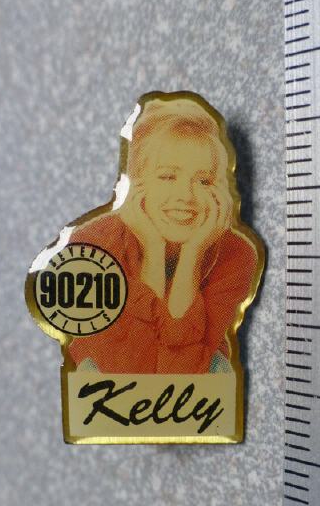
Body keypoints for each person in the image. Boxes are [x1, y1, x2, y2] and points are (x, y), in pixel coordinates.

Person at [67, 92, 263, 374]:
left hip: (188, 391)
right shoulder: (92, 245)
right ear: (137, 183)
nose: (186, 196)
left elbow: (183, 371)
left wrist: (192, 255)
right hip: (110, 388)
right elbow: (129, 368)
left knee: (217, 368)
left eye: (203, 180)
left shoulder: (237, 254)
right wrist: (153, 249)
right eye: (168, 176)